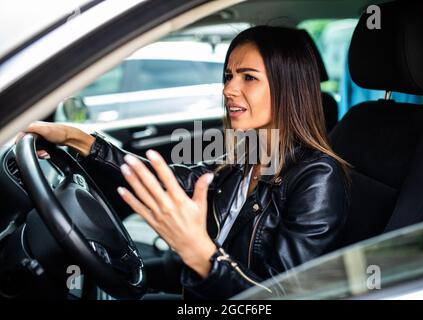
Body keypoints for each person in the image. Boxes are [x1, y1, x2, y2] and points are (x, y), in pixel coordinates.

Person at [18, 26, 349, 299]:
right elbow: (161, 179)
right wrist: (74, 138)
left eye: (248, 77)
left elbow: (280, 298)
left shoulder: (316, 177)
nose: (229, 89)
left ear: (287, 87)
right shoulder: (247, 155)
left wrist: (202, 255)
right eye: (228, 76)